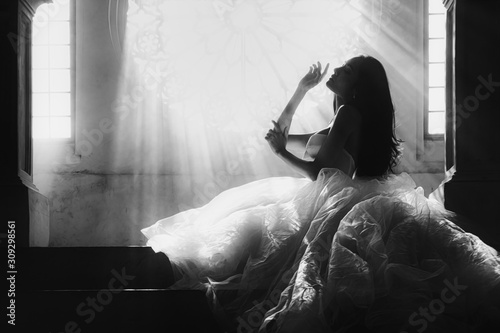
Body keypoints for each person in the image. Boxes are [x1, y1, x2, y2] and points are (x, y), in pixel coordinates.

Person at [141, 55, 500, 333]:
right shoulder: (347, 116)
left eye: (344, 70)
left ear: (355, 84)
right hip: (357, 193)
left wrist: (282, 154)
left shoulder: (348, 112)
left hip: (341, 196)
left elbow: (322, 172)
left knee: (270, 240)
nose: (336, 71)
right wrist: (301, 90)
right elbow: (282, 131)